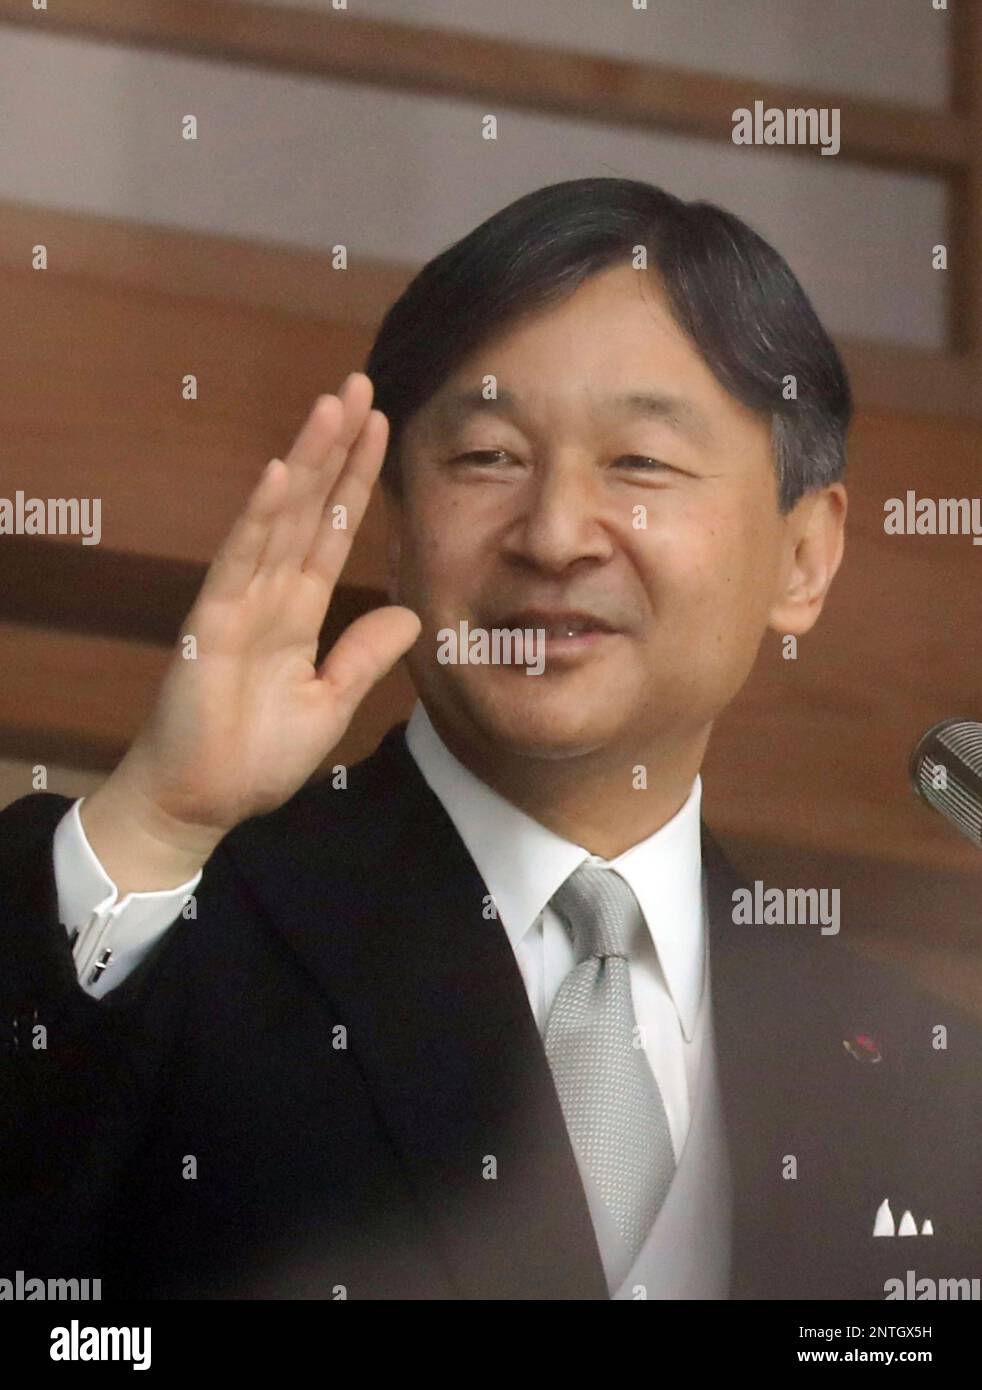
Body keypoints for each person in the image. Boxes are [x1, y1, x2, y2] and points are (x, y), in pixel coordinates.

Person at [3, 178, 981, 1301]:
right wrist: (158, 820)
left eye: (640, 464)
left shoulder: (924, 1076)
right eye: (486, 458)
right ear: (398, 526)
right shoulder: (168, 929)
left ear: (803, 558)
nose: (556, 533)